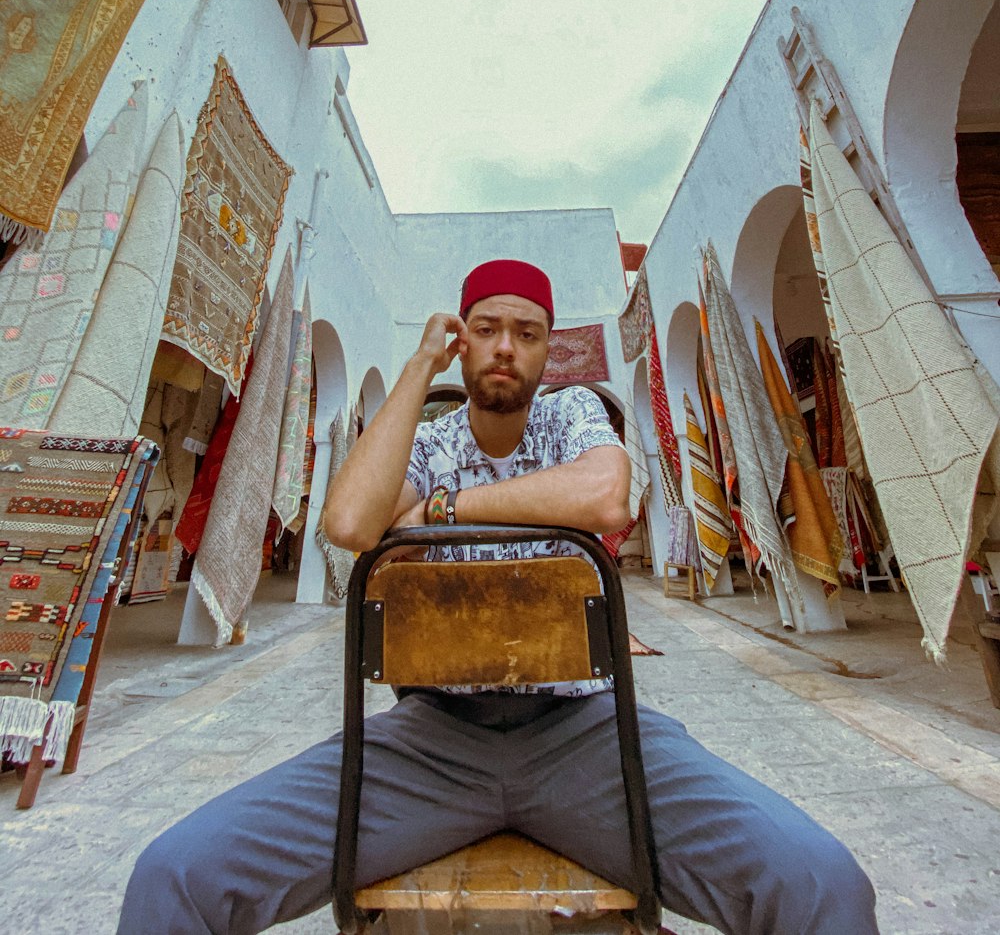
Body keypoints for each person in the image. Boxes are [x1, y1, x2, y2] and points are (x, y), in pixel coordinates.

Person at [118, 259, 879, 935]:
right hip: (430, 741)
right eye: (486, 328)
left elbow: (608, 494)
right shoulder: (432, 438)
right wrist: (419, 365)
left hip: (587, 734)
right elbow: (349, 521)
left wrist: (445, 511)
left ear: (549, 350)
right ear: (463, 341)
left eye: (527, 331)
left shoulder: (571, 414)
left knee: (821, 884)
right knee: (174, 878)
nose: (506, 346)